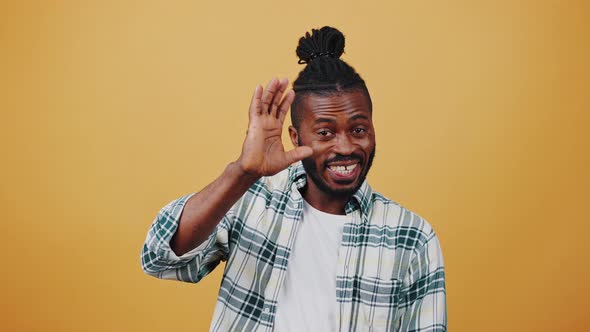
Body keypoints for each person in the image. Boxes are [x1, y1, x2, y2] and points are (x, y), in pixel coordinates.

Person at [141, 26, 447, 332]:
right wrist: (242, 172)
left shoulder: (412, 237)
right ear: (295, 137)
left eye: (358, 130)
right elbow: (159, 258)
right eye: (325, 132)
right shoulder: (252, 202)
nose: (345, 147)